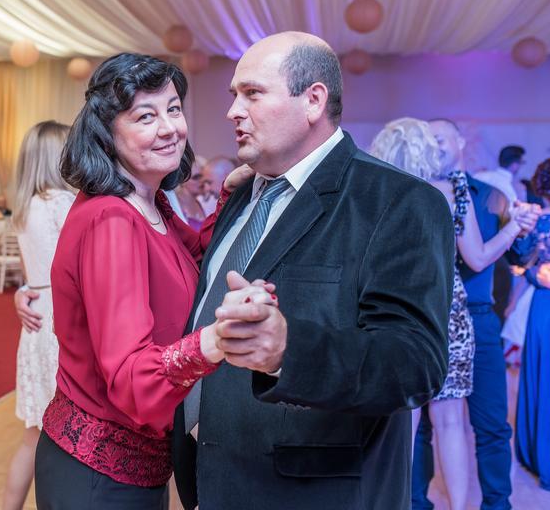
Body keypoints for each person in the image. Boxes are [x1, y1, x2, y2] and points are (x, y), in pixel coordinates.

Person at [163, 32, 457, 510]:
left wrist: (289, 350)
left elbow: (413, 364)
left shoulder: (398, 201)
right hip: (215, 476)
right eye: (234, 95)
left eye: (252, 93)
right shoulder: (241, 196)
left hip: (315, 491)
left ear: (313, 100)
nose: (233, 111)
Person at [23, 53, 260, 509]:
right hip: (97, 478)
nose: (170, 128)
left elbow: (193, 261)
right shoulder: (112, 218)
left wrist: (231, 192)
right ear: (107, 133)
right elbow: (132, 377)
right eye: (145, 117)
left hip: (135, 470)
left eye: (173, 109)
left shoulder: (150, 204)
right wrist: (216, 341)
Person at [370, 118, 536, 510]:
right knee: (449, 423)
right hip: (446, 308)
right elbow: (476, 257)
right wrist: (514, 228)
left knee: (405, 423)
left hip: (394, 308)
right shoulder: (453, 190)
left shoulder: (377, 190)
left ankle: (404, 503)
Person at [1, 121, 73, 510]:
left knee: (33, 434)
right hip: (60, 316)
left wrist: (23, 292)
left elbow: (35, 271)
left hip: (37, 315)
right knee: (66, 431)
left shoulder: (26, 207)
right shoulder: (62, 203)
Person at [515, 158, 550, 491]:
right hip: (544, 305)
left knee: (544, 378)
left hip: (543, 305)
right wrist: (535, 275)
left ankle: (539, 455)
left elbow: (522, 264)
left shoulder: (536, 222)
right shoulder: (537, 221)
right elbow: (522, 265)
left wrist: (534, 275)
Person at [173, 156, 208, 230]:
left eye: (203, 177)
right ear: (182, 180)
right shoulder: (173, 204)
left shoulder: (202, 203)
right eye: (196, 177)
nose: (202, 181)